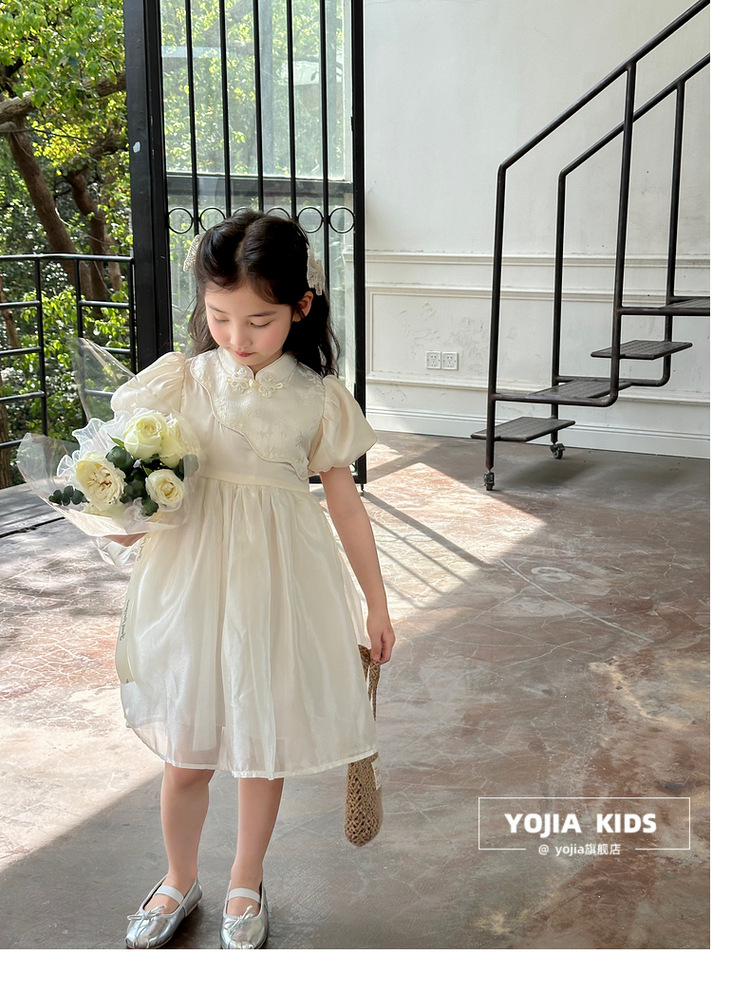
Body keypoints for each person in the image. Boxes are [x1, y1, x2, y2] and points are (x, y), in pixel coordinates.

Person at [109, 209, 395, 950]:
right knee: (187, 752)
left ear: (301, 307)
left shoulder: (317, 396)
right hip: (193, 583)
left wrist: (376, 603)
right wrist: (122, 513)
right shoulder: (182, 382)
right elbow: (146, 483)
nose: (237, 337)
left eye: (260, 321)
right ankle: (178, 877)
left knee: (260, 746)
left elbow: (345, 504)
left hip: (278, 585)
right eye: (220, 317)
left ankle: (245, 879)